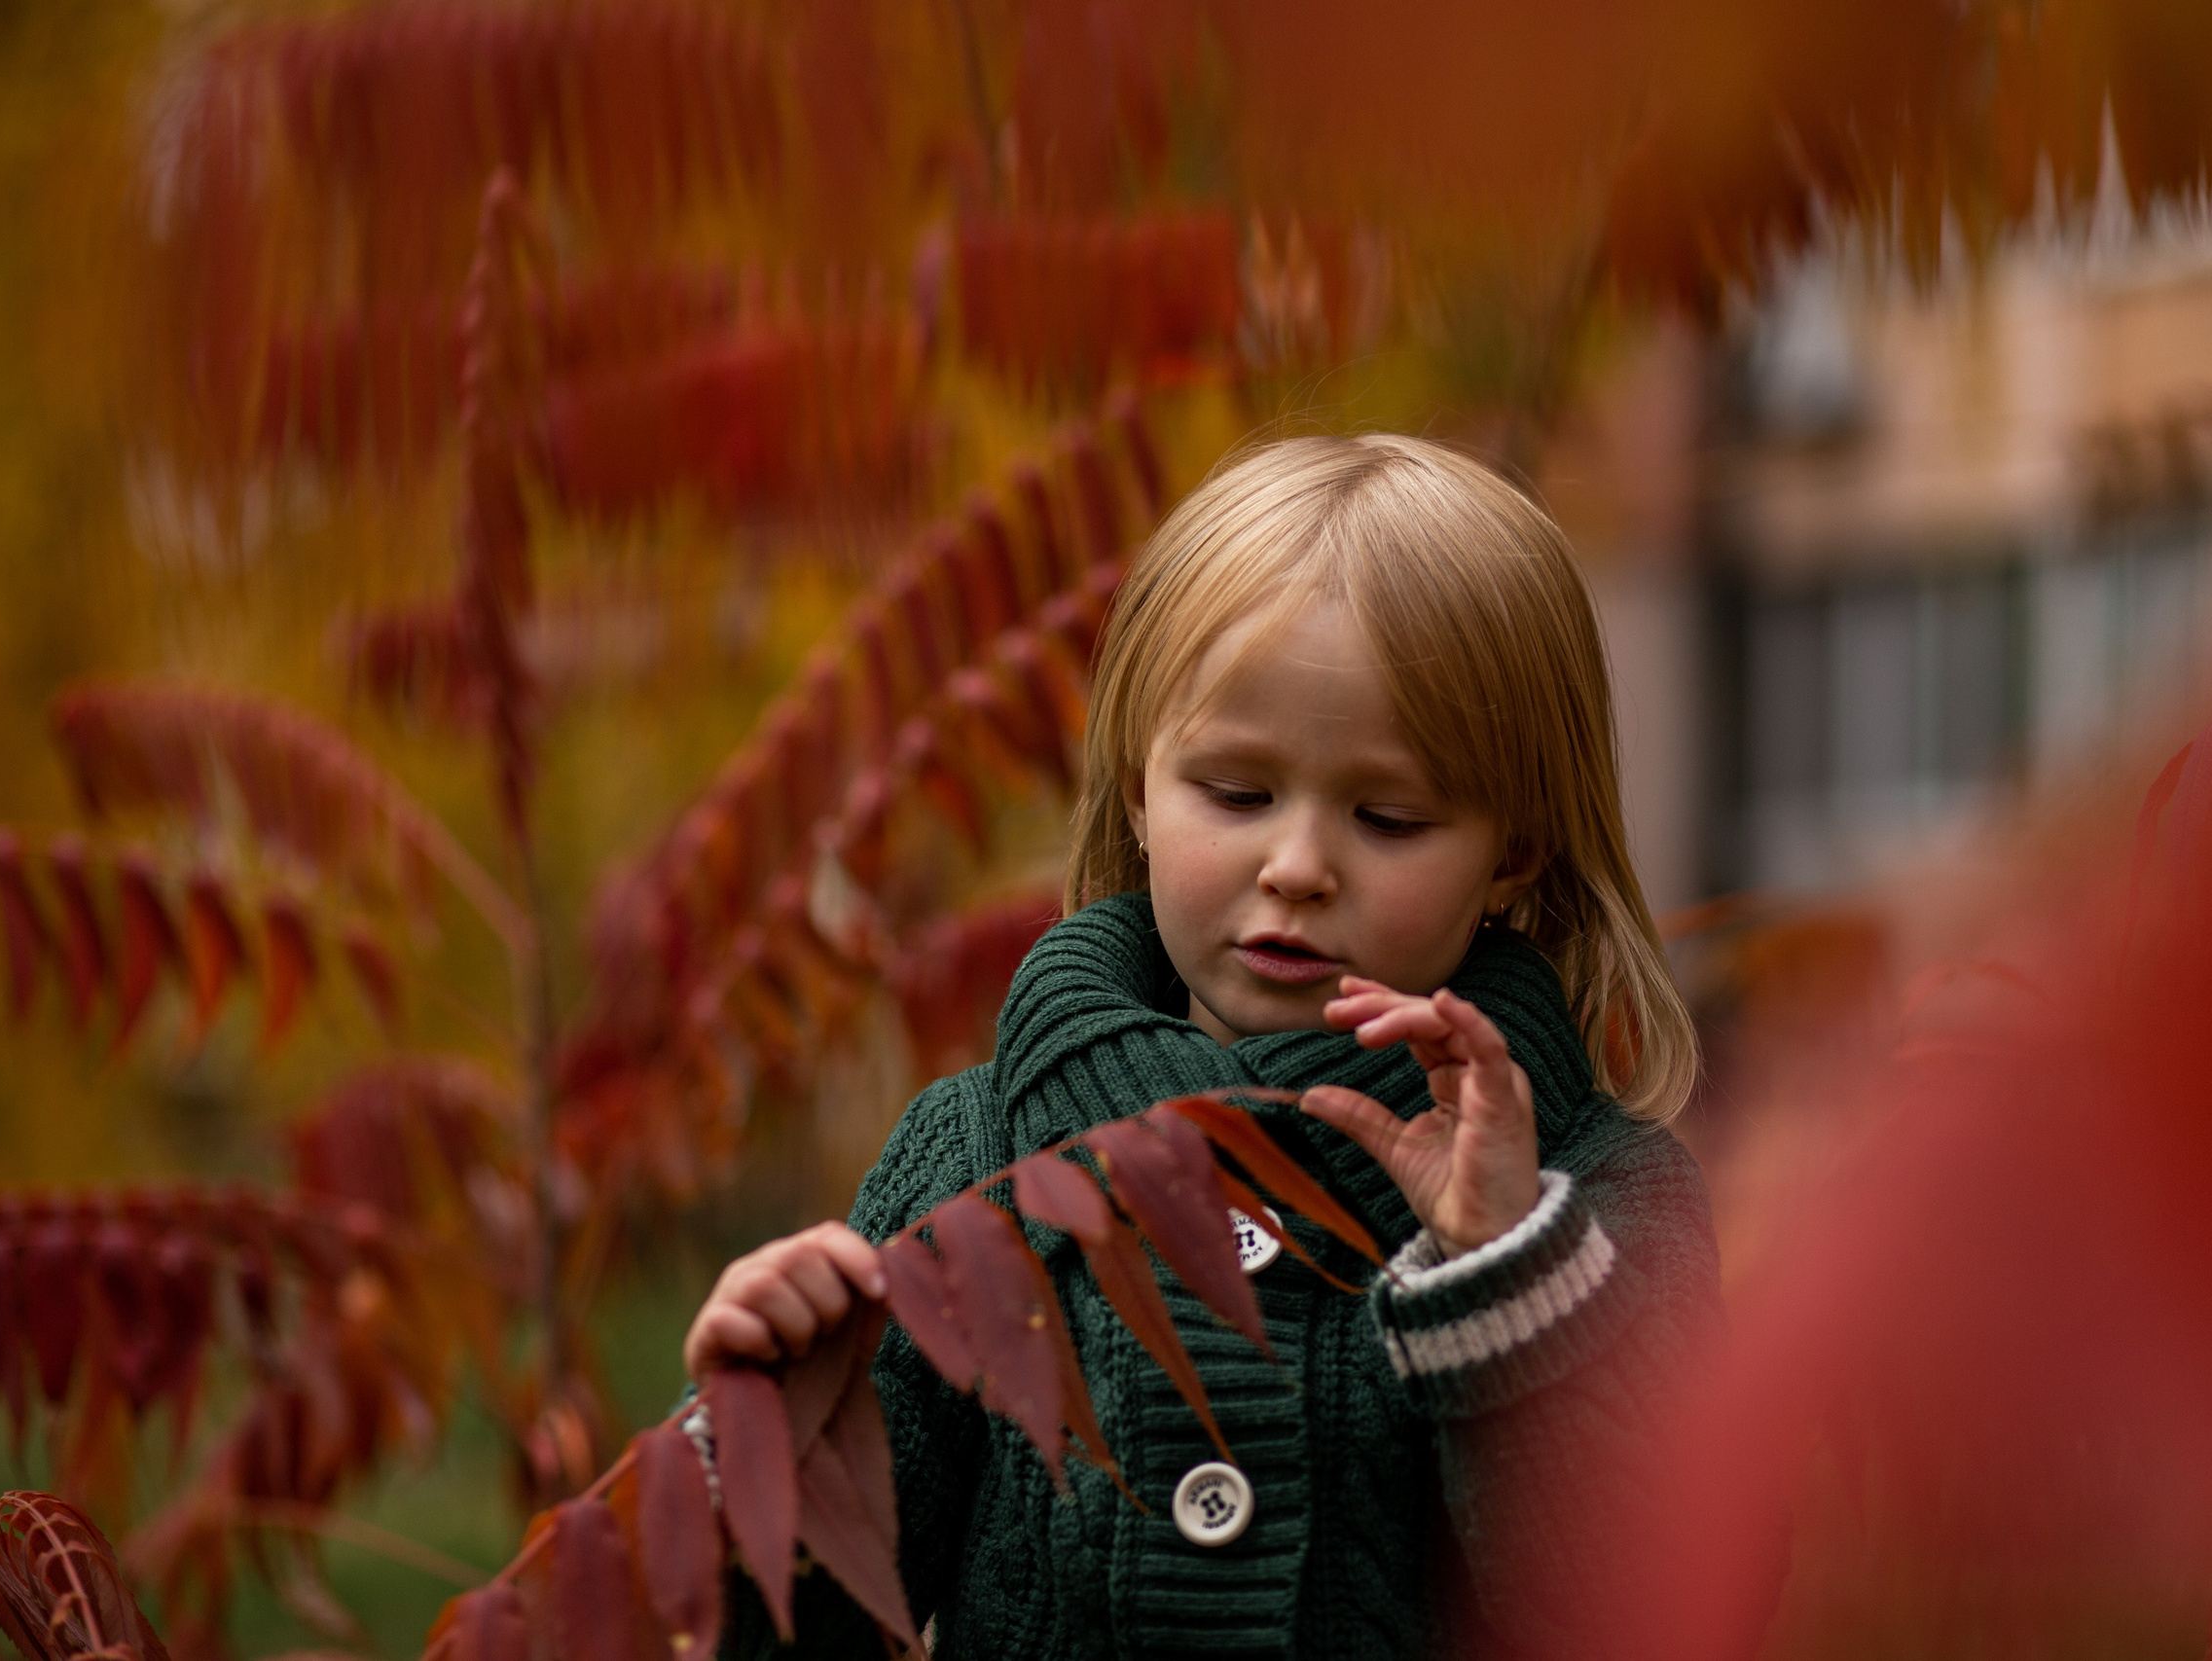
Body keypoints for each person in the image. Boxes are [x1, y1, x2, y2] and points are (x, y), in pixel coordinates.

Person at [685, 433, 1724, 1660]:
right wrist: (768, 1449)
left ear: (1513, 850)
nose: (1296, 867)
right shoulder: (976, 1162)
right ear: (1137, 788)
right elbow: (805, 1628)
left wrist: (1498, 1272)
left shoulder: (1600, 1198)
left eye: (1387, 817)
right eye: (1234, 795)